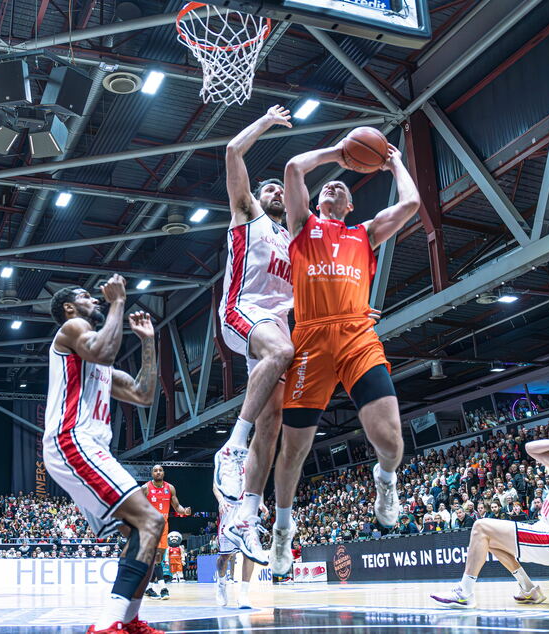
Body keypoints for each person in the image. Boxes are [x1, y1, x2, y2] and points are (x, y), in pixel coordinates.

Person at [269, 134, 421, 575]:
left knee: (391, 441)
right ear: (316, 202)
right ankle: (282, 530)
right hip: (311, 341)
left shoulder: (365, 233)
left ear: (352, 206)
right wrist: (339, 153)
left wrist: (394, 164)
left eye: (343, 187)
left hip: (357, 335)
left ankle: (386, 480)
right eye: (329, 186)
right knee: (293, 450)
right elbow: (295, 168)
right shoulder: (302, 227)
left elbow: (410, 205)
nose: (334, 186)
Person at [44, 281, 164, 634]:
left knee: (142, 532)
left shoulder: (99, 361)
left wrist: (148, 342)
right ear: (68, 308)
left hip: (89, 445)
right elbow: (102, 351)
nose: (93, 299)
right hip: (72, 439)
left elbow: (143, 394)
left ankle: (129, 620)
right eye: (83, 296)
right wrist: (119, 302)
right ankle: (107, 623)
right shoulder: (72, 329)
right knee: (152, 521)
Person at [216, 106, 296, 566]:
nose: (276, 192)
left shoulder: (292, 240)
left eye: (280, 191)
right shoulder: (248, 216)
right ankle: (232, 447)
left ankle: (246, 516)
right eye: (270, 187)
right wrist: (266, 120)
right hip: (242, 314)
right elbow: (231, 150)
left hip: (272, 333)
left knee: (275, 421)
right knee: (282, 349)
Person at [431, 430, 549, 608]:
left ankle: (465, 592)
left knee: (480, 527)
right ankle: (529, 589)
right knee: (489, 541)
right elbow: (530, 448)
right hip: (544, 529)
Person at [142, 465, 191, 600]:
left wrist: (184, 511)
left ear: (163, 473)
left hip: (164, 526)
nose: (158, 472)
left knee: (158, 559)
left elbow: (177, 506)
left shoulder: (170, 488)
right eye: (155, 470)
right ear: (151, 473)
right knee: (156, 558)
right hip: (150, 526)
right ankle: (163, 588)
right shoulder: (145, 488)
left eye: (160, 470)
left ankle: (148, 588)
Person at [212, 480, 260, 609]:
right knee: (225, 556)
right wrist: (221, 500)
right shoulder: (225, 460)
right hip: (229, 508)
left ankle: (243, 595)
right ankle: (221, 585)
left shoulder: (252, 461)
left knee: (249, 553)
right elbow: (215, 485)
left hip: (247, 509)